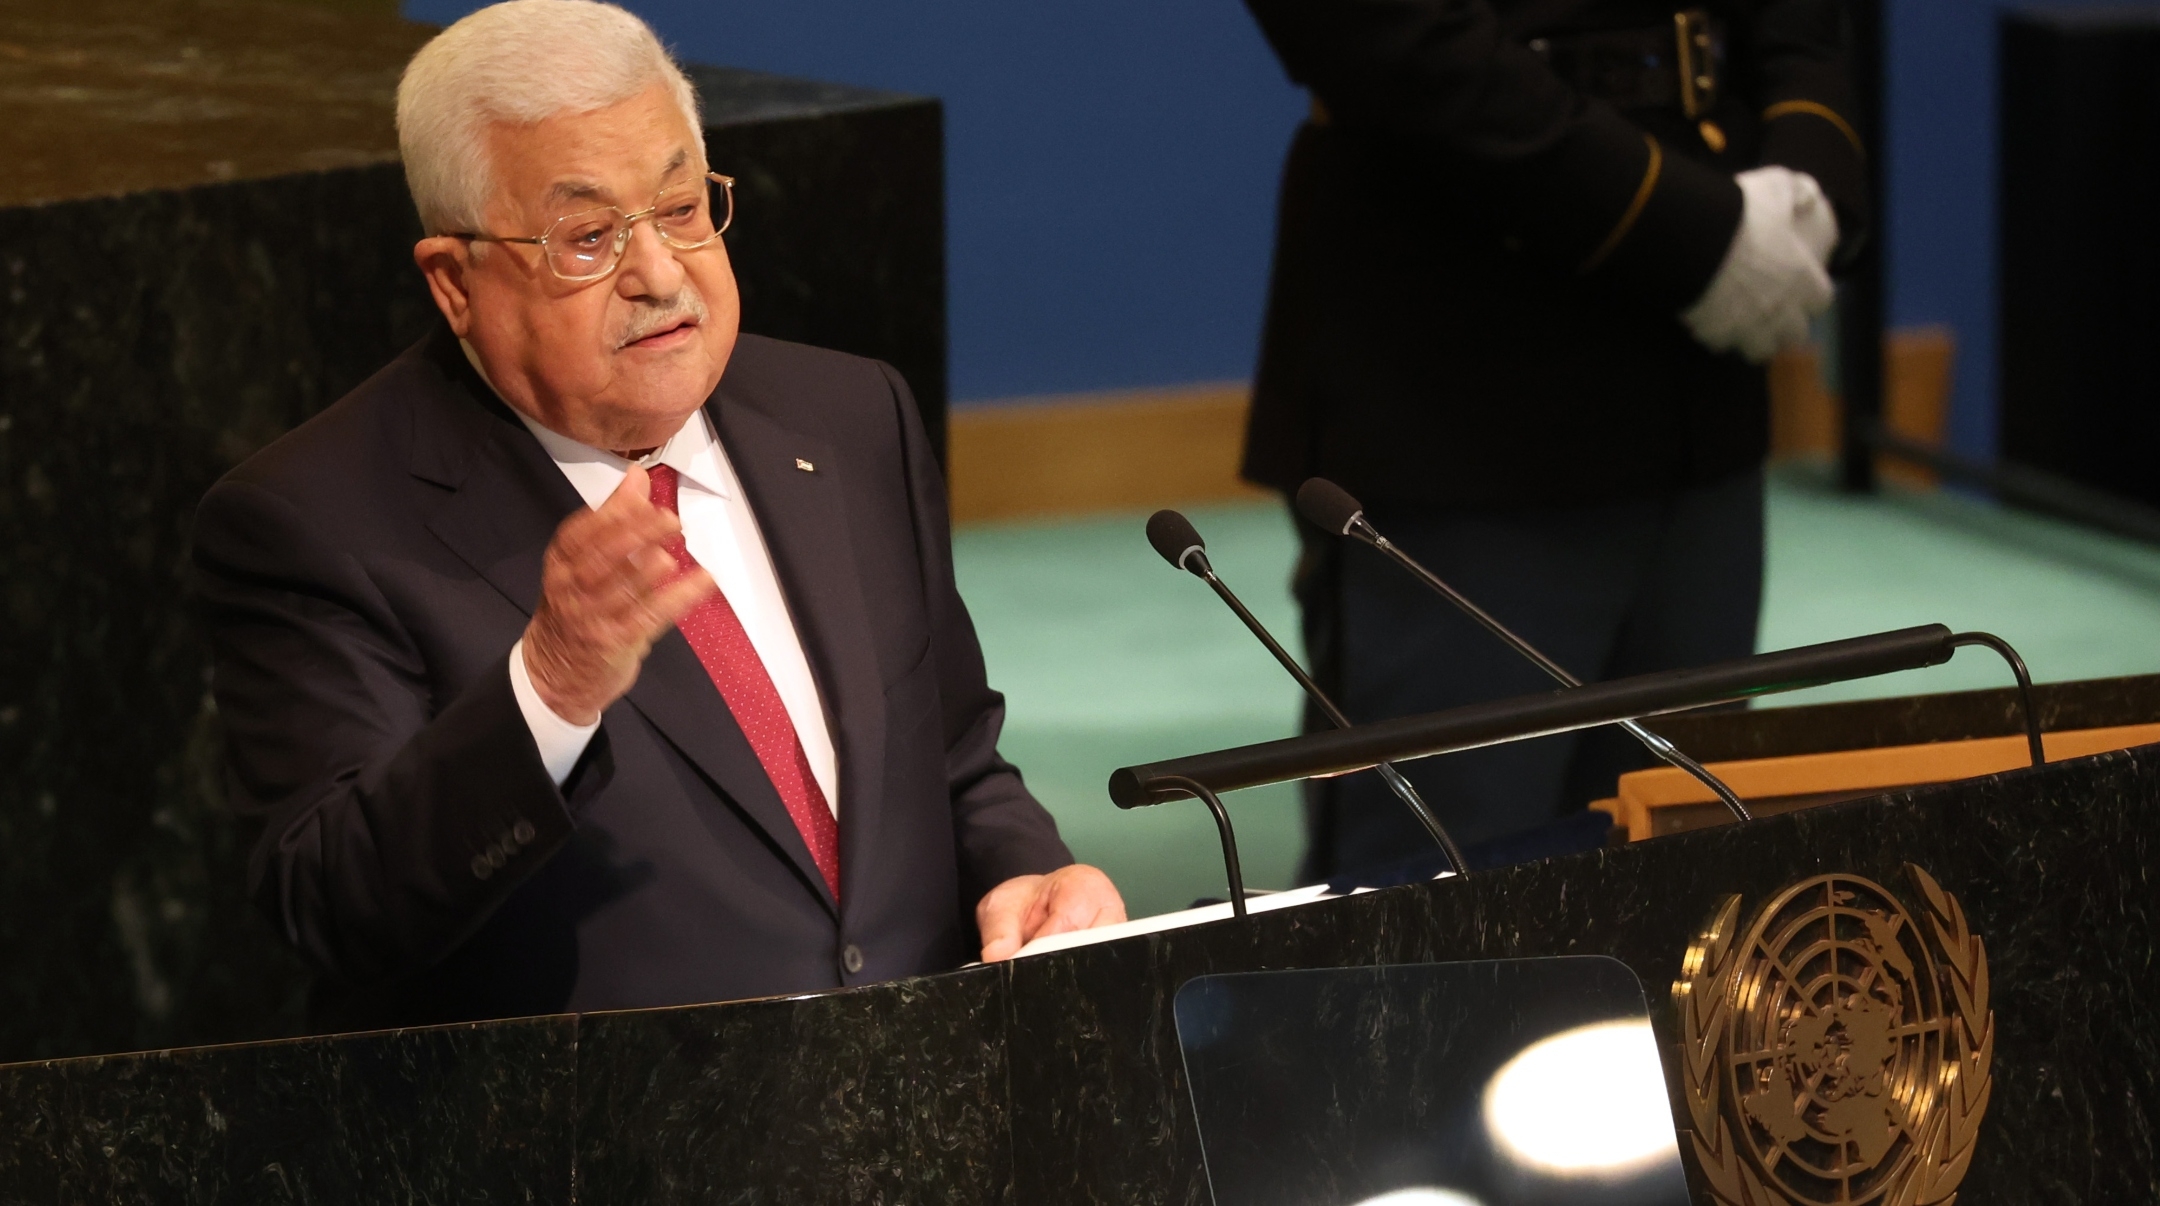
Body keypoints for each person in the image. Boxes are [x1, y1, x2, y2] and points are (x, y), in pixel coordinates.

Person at [193, 0, 1123, 1030]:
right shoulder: (316, 522)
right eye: (587, 237)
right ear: (456, 283)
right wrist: (546, 690)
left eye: (682, 209)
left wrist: (1030, 871)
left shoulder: (853, 416)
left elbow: (954, 761)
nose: (660, 275)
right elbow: (336, 908)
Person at [1236, 0, 1866, 879]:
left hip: (1702, 376)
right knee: (1438, 922)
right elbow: (1381, 33)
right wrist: (1698, 235)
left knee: (1691, 883)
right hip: (1464, 380)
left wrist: (1810, 164)